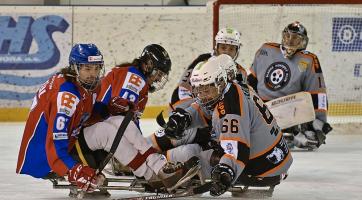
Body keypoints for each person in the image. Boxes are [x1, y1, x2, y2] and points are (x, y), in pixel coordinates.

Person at [79, 44, 200, 191]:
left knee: (140, 140)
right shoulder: (135, 78)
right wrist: (143, 153)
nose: (158, 78)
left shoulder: (130, 74)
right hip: (97, 138)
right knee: (124, 123)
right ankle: (158, 170)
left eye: (162, 76)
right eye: (158, 73)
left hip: (96, 134)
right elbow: (122, 121)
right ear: (148, 65)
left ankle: (156, 172)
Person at [170, 55, 293, 196]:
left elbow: (236, 150)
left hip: (261, 169)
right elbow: (204, 110)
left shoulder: (232, 106)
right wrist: (186, 117)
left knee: (192, 160)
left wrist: (226, 171)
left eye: (207, 88)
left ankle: (162, 176)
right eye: (199, 90)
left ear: (221, 82)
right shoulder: (237, 89)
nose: (203, 96)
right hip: (276, 160)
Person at [16, 43, 106, 192]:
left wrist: (107, 110)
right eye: (87, 68)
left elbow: (82, 113)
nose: (93, 74)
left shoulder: (83, 84)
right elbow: (56, 139)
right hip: (43, 155)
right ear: (75, 68)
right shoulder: (66, 96)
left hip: (58, 144)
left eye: (96, 68)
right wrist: (72, 169)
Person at [148, 28, 247, 152]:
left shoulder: (240, 72)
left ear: (237, 50)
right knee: (188, 132)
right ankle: (142, 152)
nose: (226, 53)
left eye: (231, 49)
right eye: (223, 47)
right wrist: (184, 114)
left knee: (202, 146)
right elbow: (182, 90)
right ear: (216, 47)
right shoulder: (204, 62)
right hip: (191, 110)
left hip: (214, 118)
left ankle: (165, 159)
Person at [247, 21, 332, 149]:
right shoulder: (266, 49)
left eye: (296, 38)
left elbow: (317, 92)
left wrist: (319, 123)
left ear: (303, 42)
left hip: (288, 108)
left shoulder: (308, 59)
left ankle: (291, 132)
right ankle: (284, 133)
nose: (290, 41)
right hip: (262, 107)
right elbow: (250, 82)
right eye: (288, 36)